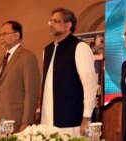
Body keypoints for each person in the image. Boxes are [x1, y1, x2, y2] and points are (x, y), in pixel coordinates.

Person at [40, 7, 98, 137]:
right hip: (47, 121)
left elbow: (90, 85)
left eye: (56, 21)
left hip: (72, 121)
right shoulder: (47, 50)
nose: (51, 24)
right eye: (50, 21)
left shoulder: (80, 47)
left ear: (68, 25)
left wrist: (87, 118)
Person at [0, 20, 40, 133]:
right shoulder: (2, 58)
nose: (1, 37)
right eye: (0, 35)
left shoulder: (27, 57)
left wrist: (26, 121)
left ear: (17, 35)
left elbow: (31, 92)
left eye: (5, 34)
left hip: (16, 118)